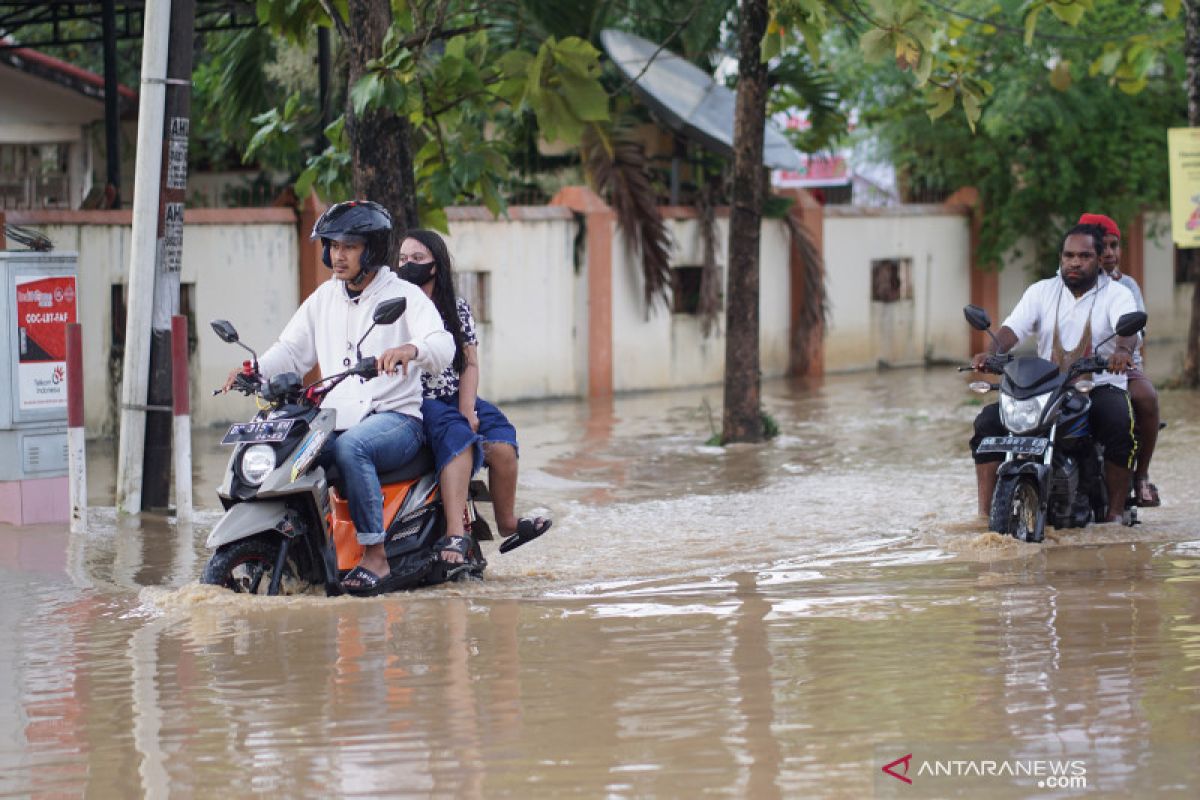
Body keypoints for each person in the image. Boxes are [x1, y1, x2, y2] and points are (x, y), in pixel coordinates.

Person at [224, 200, 454, 595]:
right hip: (333, 418)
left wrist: (410, 350)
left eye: (348, 246)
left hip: (397, 418)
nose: (337, 255)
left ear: (373, 249)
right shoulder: (323, 298)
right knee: (289, 454)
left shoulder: (403, 295)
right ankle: (307, 550)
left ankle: (375, 557)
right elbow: (291, 352)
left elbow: (441, 344)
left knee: (351, 451)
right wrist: (254, 370)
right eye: (331, 245)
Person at [395, 229, 552, 564]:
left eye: (417, 259)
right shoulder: (394, 307)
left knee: (503, 442)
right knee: (459, 439)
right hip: (416, 400)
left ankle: (507, 522)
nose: (408, 265)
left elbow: (468, 362)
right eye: (403, 259)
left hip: (453, 393)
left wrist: (468, 406)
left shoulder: (456, 308)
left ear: (435, 265)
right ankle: (456, 533)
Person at [969, 223, 1140, 523]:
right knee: (987, 422)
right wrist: (993, 353)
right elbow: (1013, 328)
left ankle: (1114, 516)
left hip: (1098, 384)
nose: (1075, 262)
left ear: (1100, 259)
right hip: (1044, 389)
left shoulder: (1117, 294)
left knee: (1118, 420)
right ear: (1060, 258)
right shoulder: (1042, 291)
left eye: (1084, 256)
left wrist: (1122, 353)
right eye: (1069, 255)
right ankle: (984, 515)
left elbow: (1128, 326)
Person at [1078, 212, 1162, 507]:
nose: (1111, 253)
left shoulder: (1127, 286)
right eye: (1104, 247)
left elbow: (1137, 331)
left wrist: (1122, 353)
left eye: (1116, 245)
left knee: (1147, 397)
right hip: (1074, 372)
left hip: (1121, 369)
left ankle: (1141, 476)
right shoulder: (1067, 283)